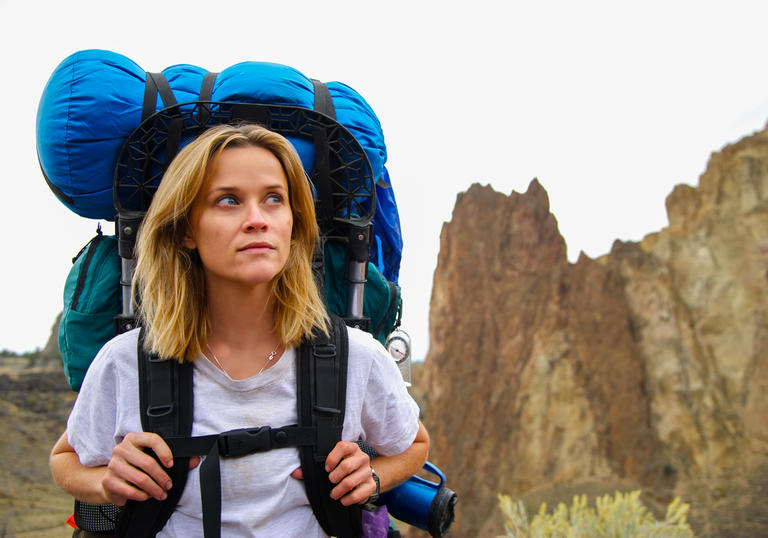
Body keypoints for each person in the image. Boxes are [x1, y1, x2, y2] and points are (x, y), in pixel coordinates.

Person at [50, 123, 429, 537]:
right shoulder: (127, 361)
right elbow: (66, 458)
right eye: (228, 200)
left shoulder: (354, 357)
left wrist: (373, 475)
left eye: (274, 199)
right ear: (185, 230)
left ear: (293, 223)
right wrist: (105, 483)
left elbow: (414, 444)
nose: (256, 220)